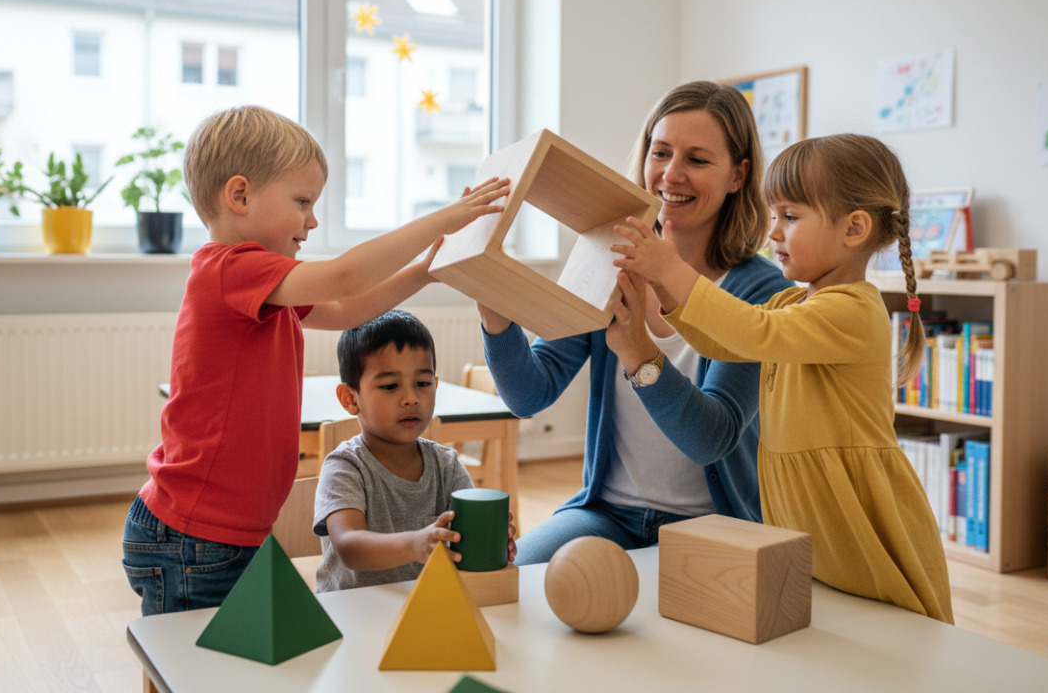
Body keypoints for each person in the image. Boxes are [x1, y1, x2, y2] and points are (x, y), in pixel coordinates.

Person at [121, 105, 509, 616]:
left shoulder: (265, 287)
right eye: (302, 201)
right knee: (199, 674)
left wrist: (426, 271)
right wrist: (446, 217)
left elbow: (349, 308)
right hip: (194, 537)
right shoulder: (229, 270)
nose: (313, 220)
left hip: (221, 536)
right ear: (239, 196)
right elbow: (346, 278)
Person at [612, 132, 954, 623]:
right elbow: (723, 343)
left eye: (790, 217)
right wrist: (665, 291)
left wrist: (673, 267)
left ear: (854, 228)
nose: (773, 233)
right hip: (805, 508)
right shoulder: (794, 301)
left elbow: (753, 331)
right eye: (774, 216)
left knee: (893, 627)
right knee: (827, 622)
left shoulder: (855, 310)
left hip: (855, 511)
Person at [478, 81, 793, 565]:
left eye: (698, 160)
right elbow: (528, 395)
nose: (671, 174)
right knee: (517, 581)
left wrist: (639, 354)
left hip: (716, 524)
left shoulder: (759, 290)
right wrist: (497, 316)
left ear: (737, 175)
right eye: (660, 152)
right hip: (607, 515)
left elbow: (713, 439)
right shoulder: (610, 259)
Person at [313, 309, 517, 592]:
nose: (411, 398)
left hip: (427, 608)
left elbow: (461, 540)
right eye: (390, 386)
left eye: (422, 383)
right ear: (350, 398)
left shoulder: (446, 464)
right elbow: (349, 547)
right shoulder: (346, 466)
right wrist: (413, 544)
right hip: (354, 613)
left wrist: (488, 538)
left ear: (435, 385)